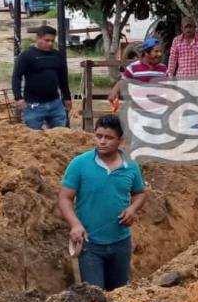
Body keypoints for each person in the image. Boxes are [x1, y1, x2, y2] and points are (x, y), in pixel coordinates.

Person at [58, 114, 146, 291]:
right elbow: (64, 198)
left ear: (120, 140)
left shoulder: (131, 166)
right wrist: (75, 225)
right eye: (99, 136)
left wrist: (132, 208)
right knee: (94, 296)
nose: (102, 142)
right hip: (90, 246)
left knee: (119, 293)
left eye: (109, 137)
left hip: (121, 243)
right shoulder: (80, 164)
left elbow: (140, 193)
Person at [12, 25, 71, 129]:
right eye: (46, 40)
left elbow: (63, 78)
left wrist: (67, 97)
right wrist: (18, 98)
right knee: (33, 136)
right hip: (33, 104)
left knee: (60, 134)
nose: (50, 43)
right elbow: (16, 77)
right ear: (38, 38)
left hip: (55, 103)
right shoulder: (27, 55)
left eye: (52, 41)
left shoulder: (57, 56)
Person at [108, 38, 167, 102]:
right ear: (146, 53)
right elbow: (123, 81)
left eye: (161, 51)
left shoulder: (163, 69)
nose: (160, 54)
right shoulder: (133, 68)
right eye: (156, 51)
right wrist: (114, 91)